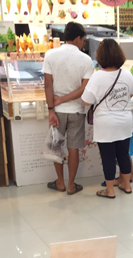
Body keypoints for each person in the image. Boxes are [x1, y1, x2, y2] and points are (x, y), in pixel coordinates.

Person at [82, 39, 133, 199]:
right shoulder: (126, 74)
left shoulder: (97, 76)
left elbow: (86, 101)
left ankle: (110, 190)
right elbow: (132, 93)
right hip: (124, 121)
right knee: (123, 155)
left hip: (105, 123)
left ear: (101, 56)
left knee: (108, 157)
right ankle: (127, 185)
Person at [44, 22, 94, 195]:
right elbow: (84, 89)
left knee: (56, 147)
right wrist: (64, 99)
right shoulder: (86, 60)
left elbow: (47, 85)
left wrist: (52, 109)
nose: (83, 43)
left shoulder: (50, 55)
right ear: (78, 38)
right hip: (76, 111)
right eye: (83, 39)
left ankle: (60, 182)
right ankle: (71, 185)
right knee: (74, 149)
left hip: (57, 111)